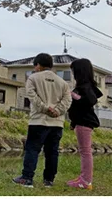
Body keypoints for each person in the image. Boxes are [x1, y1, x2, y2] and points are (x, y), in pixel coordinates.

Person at [13, 53, 72, 188]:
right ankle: (49, 181)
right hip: (57, 123)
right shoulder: (63, 83)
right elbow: (67, 101)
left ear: (38, 65)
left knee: (32, 149)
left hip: (38, 121)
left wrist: (46, 109)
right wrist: (57, 111)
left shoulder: (33, 78)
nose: (35, 68)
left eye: (35, 66)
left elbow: (32, 97)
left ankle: (27, 178)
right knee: (52, 152)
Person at [67, 58, 102, 190]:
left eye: (73, 71)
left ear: (79, 72)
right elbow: (78, 109)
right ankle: (83, 178)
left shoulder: (84, 87)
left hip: (84, 123)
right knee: (84, 151)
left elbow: (89, 101)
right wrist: (73, 123)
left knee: (85, 152)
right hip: (81, 122)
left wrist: (73, 95)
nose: (72, 74)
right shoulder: (86, 86)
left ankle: (86, 181)